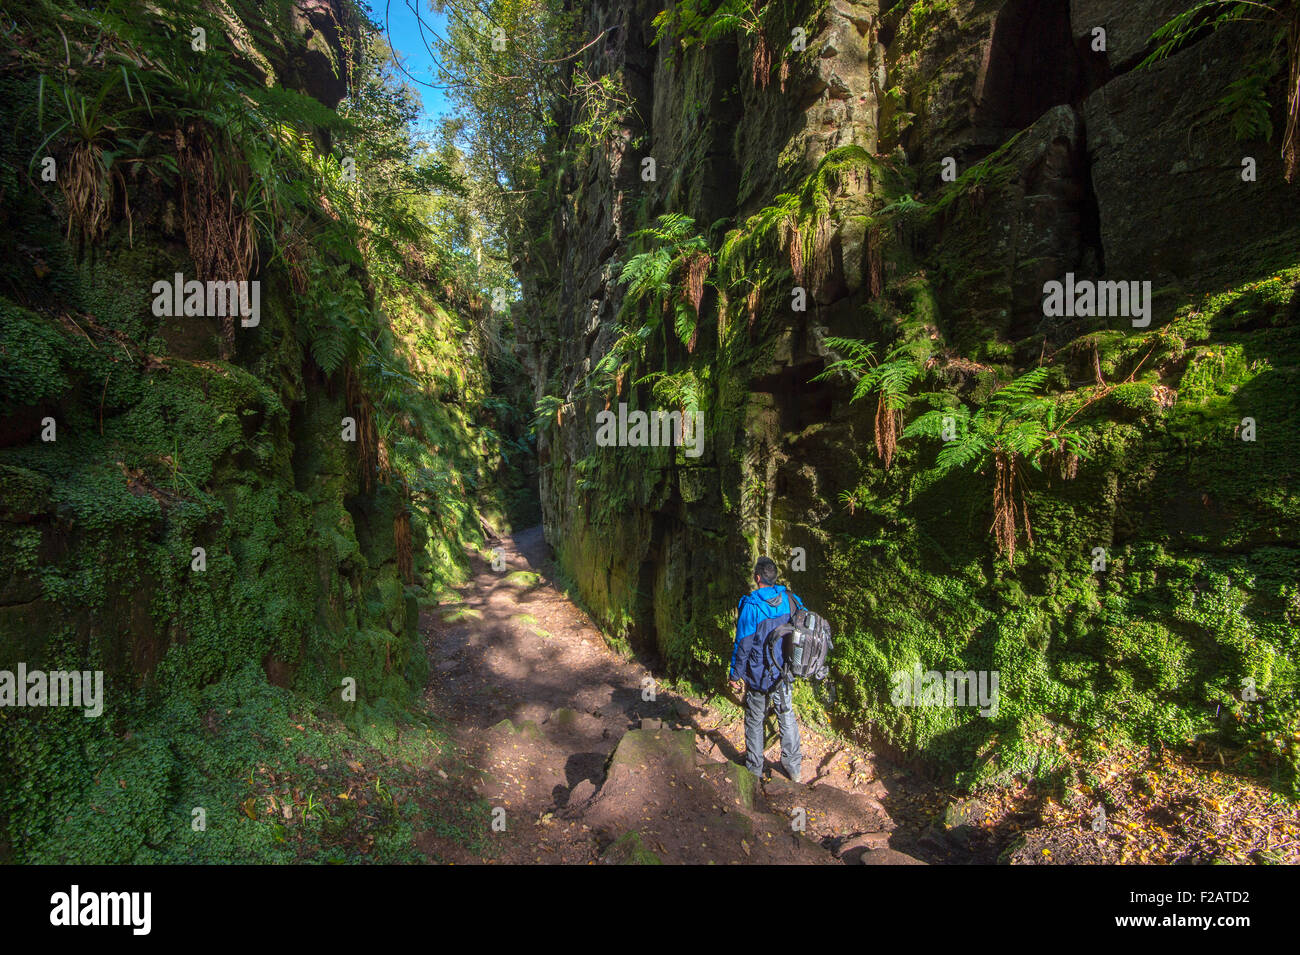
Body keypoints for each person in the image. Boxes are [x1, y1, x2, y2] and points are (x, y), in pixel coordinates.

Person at [728, 556, 803, 782]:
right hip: (784, 672)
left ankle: (754, 769)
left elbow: (743, 644)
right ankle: (793, 768)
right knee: (786, 715)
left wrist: (735, 674)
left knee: (754, 718)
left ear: (757, 578)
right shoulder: (791, 600)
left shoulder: (752, 606)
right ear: (774, 578)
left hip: (759, 674)